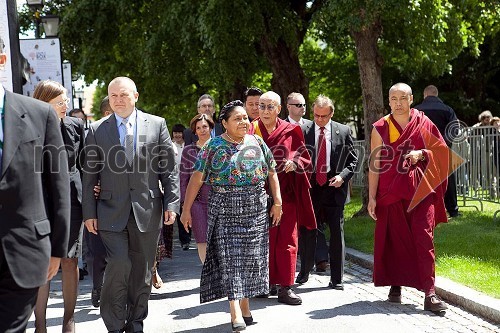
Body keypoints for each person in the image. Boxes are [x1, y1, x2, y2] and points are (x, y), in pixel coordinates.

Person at [82, 76, 179, 333]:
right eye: (113, 96)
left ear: (136, 96)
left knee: (142, 271)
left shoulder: (157, 125)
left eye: (124, 95)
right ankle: (114, 324)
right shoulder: (96, 129)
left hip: (147, 210)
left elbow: (168, 169)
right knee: (119, 264)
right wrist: (88, 213)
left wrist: (172, 203)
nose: (118, 100)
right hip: (109, 211)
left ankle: (135, 322)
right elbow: (89, 175)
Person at [181, 100, 281, 331]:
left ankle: (245, 306)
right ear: (224, 124)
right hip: (225, 208)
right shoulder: (213, 146)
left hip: (255, 208)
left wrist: (277, 202)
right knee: (230, 261)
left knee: (248, 260)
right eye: (238, 118)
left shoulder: (257, 141)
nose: (244, 122)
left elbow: (272, 172)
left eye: (245, 117)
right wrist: (186, 210)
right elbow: (196, 179)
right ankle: (234, 311)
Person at [0, 41, 70, 333]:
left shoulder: (39, 114)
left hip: (24, 252)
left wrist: (57, 249)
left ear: (2, 58)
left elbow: (59, 186)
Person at [368, 82, 449, 314]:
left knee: (424, 238)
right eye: (394, 99)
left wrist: (422, 154)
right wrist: (371, 198)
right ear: (389, 100)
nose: (398, 103)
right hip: (391, 192)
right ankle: (395, 284)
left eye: (403, 98)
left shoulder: (423, 122)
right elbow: (374, 165)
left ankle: (430, 293)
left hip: (421, 192)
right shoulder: (380, 127)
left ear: (412, 98)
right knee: (395, 239)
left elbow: (442, 153)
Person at [250, 91, 316, 305]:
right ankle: (265, 282)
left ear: (279, 109)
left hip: (286, 194)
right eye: (261, 106)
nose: (265, 111)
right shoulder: (251, 129)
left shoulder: (291, 130)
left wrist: (294, 163)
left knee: (287, 239)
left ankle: (285, 287)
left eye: (270, 106)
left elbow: (304, 156)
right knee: (263, 240)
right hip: (257, 194)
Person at [31, 80, 85, 333]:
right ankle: (40, 325)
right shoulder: (29, 126)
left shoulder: (75, 126)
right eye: (59, 102)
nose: (66, 106)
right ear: (44, 103)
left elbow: (85, 163)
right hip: (40, 201)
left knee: (69, 260)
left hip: (72, 201)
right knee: (43, 262)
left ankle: (68, 320)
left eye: (65, 101)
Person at [301, 95, 358, 290]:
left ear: (331, 113)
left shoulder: (343, 131)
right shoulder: (303, 130)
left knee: (336, 232)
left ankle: (337, 278)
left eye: (324, 116)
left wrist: (342, 177)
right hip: (312, 188)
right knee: (309, 231)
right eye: (316, 115)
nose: (320, 120)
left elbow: (353, 161)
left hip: (334, 188)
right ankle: (304, 271)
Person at [414, 85, 460, 218]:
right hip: (443, 149)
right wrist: (442, 143)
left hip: (421, 150)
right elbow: (454, 129)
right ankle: (452, 210)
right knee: (448, 178)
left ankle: (421, 208)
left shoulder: (416, 110)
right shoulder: (447, 109)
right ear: (437, 94)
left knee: (420, 178)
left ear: (425, 95)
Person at [84, 96, 112, 308]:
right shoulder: (93, 134)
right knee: (97, 252)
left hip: (124, 203)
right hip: (97, 202)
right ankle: (98, 287)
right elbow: (88, 172)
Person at [180, 114, 214, 263]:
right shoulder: (188, 151)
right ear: (194, 131)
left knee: (219, 239)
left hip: (219, 200)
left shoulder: (221, 147)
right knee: (202, 239)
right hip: (197, 202)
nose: (202, 130)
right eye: (198, 128)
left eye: (205, 127)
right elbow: (183, 179)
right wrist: (184, 205)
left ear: (211, 128)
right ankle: (208, 274)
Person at [171, 123, 191, 250]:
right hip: (174, 184)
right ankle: (182, 240)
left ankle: (188, 238)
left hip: (188, 183)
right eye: (175, 132)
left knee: (188, 209)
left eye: (180, 132)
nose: (177, 135)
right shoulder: (169, 146)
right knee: (177, 212)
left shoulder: (188, 147)